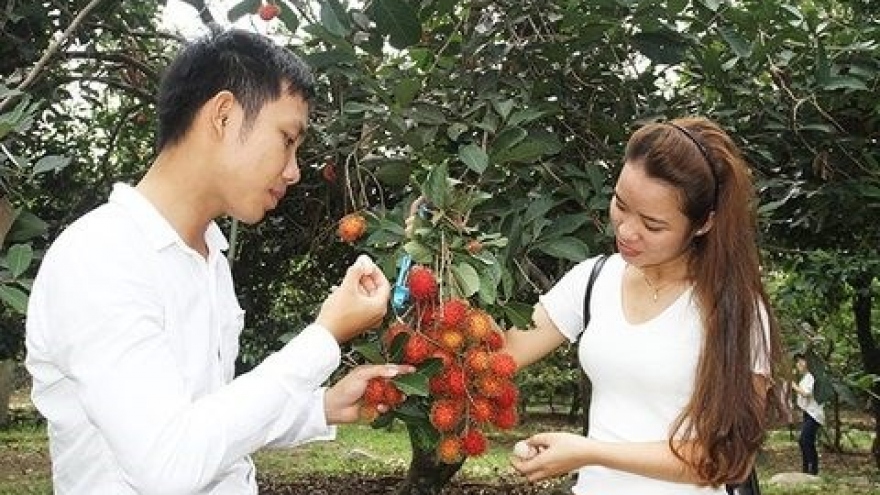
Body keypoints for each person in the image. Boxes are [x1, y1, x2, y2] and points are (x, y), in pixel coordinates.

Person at [25, 28, 410, 494]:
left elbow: (209, 419)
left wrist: (320, 407)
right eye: (287, 139)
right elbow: (169, 464)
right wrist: (324, 337)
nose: (294, 170)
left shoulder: (207, 256)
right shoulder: (101, 257)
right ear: (224, 115)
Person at [505, 117, 782, 494]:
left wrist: (590, 453)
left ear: (703, 224)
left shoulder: (736, 311)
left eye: (652, 225)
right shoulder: (592, 280)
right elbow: (502, 354)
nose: (626, 230)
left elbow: (726, 458)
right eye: (620, 204)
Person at [791, 353, 824, 475]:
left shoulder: (811, 377)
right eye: (797, 362)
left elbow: (806, 394)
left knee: (805, 440)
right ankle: (806, 469)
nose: (799, 364)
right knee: (805, 441)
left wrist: (793, 386)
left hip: (814, 414)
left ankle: (813, 470)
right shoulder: (805, 378)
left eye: (802, 361)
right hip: (808, 413)